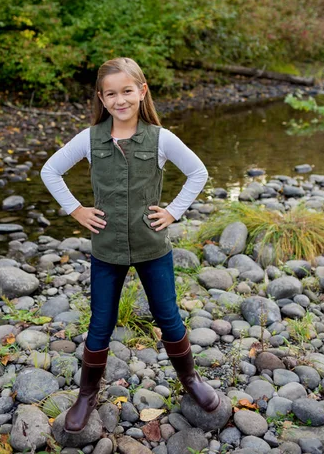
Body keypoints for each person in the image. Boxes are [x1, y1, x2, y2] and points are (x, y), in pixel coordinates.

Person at [40, 57, 220, 433]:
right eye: (111, 94)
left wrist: (172, 212)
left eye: (126, 91)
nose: (119, 100)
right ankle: (88, 394)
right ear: (102, 99)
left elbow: (198, 172)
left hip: (152, 246)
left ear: (141, 91)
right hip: (107, 250)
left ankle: (190, 380)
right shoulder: (90, 139)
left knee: (167, 315)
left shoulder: (160, 138)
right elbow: (50, 170)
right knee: (100, 323)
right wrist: (76, 210)